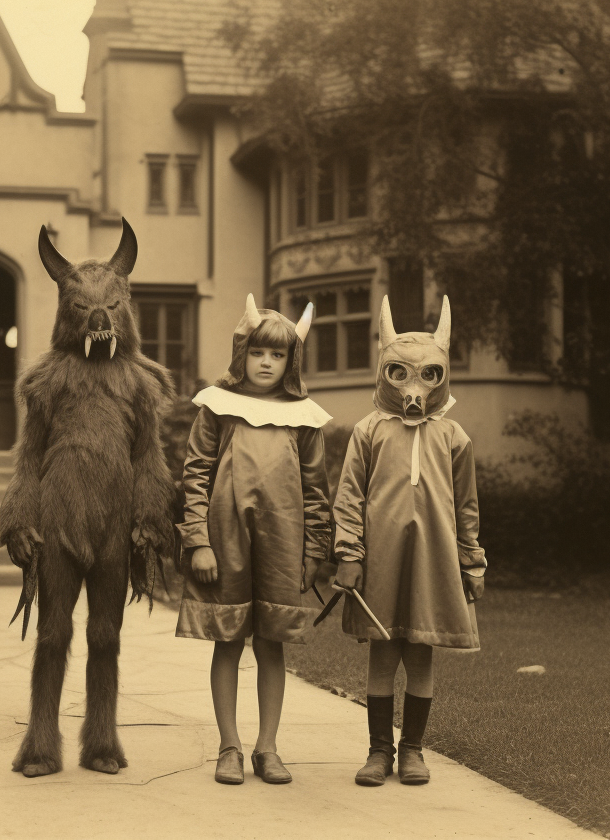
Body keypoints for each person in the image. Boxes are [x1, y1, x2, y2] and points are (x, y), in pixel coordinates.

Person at [175, 294, 333, 786]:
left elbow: (316, 490)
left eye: (278, 355)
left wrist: (314, 553)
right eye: (258, 352)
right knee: (228, 643)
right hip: (224, 542)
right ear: (241, 354)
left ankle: (268, 747)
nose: (266, 363)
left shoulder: (304, 417)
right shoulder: (218, 407)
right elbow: (195, 474)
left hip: (283, 545)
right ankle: (230, 746)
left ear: (291, 361)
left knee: (271, 645)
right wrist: (197, 541)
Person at [331, 295, 485, 787]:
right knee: (383, 652)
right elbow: (349, 495)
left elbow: (467, 507)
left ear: (441, 376)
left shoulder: (453, 437)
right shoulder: (369, 430)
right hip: (380, 561)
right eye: (400, 374)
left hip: (433, 562)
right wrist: (349, 552)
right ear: (385, 372)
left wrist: (472, 562)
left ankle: (413, 750)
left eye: (428, 375)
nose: (414, 388)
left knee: (421, 652)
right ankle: (379, 751)